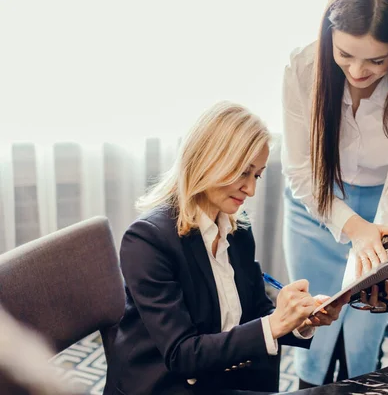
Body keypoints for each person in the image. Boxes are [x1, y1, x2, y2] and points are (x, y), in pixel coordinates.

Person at [103, 102, 349, 395]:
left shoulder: (237, 229)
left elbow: (256, 311)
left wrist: (299, 319)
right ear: (209, 160)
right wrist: (274, 324)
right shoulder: (147, 241)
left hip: (223, 378)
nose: (252, 189)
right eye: (243, 172)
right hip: (167, 385)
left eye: (256, 175)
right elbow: (182, 354)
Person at [281, 0, 388, 387]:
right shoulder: (303, 67)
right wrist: (356, 230)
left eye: (376, 60)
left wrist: (374, 244)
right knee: (315, 322)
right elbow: (300, 172)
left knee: (365, 333)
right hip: (316, 207)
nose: (358, 71)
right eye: (345, 54)